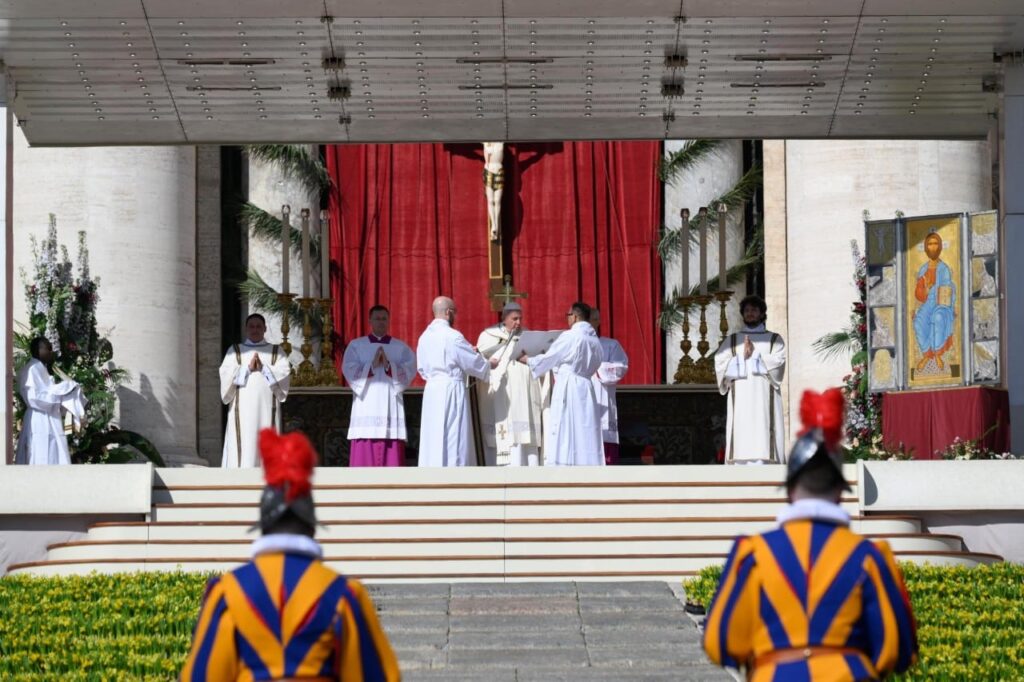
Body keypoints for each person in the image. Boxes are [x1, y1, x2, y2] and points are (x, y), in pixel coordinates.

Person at [703, 388, 918, 681]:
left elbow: (721, 642)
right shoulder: (869, 558)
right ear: (841, 492)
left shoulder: (753, 554)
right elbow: (898, 649)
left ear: (790, 491)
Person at [181, 428, 400, 681]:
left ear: (263, 525)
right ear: (311, 526)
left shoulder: (228, 593)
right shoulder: (344, 594)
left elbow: (203, 676)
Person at [417, 296, 492, 466]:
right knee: (454, 434)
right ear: (448, 312)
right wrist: (488, 364)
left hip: (432, 389)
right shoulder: (452, 336)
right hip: (451, 388)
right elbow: (472, 363)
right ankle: (454, 474)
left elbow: (421, 368)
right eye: (455, 313)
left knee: (433, 435)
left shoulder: (424, 337)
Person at [528, 301, 604, 466]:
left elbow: (551, 358)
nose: (567, 319)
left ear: (575, 317)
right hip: (586, 387)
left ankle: (565, 464)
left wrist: (528, 359)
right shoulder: (595, 341)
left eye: (568, 316)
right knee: (585, 427)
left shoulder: (570, 336)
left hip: (570, 387)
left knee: (566, 426)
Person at [713, 295, 786, 464]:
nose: (750, 314)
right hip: (741, 402)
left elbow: (779, 363)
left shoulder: (775, 339)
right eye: (747, 311)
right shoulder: (732, 341)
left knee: (764, 430)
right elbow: (720, 364)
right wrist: (741, 358)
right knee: (741, 433)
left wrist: (756, 356)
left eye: (754, 310)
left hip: (764, 400)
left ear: (762, 313)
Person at [342, 305, 416, 467]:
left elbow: (410, 369)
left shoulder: (400, 347)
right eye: (377, 318)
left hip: (390, 400)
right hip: (366, 402)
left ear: (389, 321)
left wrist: (390, 366)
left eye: (384, 319)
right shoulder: (357, 345)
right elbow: (348, 368)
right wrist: (372, 365)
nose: (381, 322)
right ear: (370, 321)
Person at [476, 302, 548, 466]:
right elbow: (480, 360)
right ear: (504, 318)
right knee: (507, 427)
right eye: (514, 319)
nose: (518, 323)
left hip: (525, 391)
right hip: (503, 391)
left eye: (520, 319)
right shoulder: (489, 335)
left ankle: (529, 465)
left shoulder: (527, 335)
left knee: (525, 429)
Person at [219, 314, 292, 468]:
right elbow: (225, 373)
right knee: (244, 441)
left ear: (265, 329)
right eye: (251, 326)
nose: (255, 330)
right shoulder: (236, 351)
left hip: (267, 407)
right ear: (246, 329)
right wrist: (247, 369)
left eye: (259, 326)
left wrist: (263, 368)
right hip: (242, 409)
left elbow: (284, 372)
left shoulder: (276, 351)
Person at [15, 337, 85, 465]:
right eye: (49, 348)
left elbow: (48, 392)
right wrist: (59, 395)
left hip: (51, 417)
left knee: (54, 454)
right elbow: (33, 398)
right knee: (40, 455)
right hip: (38, 418)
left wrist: (66, 391)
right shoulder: (31, 369)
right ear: (39, 349)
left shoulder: (41, 369)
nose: (51, 352)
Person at [589, 309, 629, 465]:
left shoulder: (611, 345)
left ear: (599, 321)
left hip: (603, 396)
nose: (591, 323)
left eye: (594, 319)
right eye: (588, 320)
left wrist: (597, 367)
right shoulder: (574, 343)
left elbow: (621, 367)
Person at [913, 231, 956, 372]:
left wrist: (943, 301)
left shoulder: (944, 269)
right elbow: (919, 295)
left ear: (940, 247)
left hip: (942, 304)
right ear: (926, 247)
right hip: (928, 303)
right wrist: (925, 289)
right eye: (930, 244)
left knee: (937, 318)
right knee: (918, 321)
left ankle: (937, 353)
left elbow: (948, 290)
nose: (933, 247)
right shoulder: (923, 269)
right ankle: (927, 354)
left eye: (935, 243)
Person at [483, 142, 504, 241]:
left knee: (497, 200)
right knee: (490, 200)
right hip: (488, 171)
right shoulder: (485, 141)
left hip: (499, 170)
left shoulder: (502, 140)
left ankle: (496, 225)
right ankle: (494, 225)